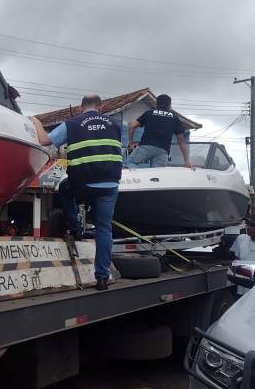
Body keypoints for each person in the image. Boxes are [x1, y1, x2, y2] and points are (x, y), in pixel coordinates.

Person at [30, 94, 121, 291]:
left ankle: (76, 228)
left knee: (64, 189)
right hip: (109, 184)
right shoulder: (115, 124)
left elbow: (44, 140)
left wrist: (36, 122)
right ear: (101, 107)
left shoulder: (72, 124)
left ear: (80, 108)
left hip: (82, 183)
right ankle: (102, 278)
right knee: (104, 229)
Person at [126, 94, 194, 169]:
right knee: (157, 173)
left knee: (130, 163)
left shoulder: (149, 113)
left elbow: (131, 126)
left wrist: (131, 142)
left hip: (146, 147)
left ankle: (139, 175)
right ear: (169, 105)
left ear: (157, 104)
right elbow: (181, 139)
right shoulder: (175, 118)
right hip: (163, 151)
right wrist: (186, 161)